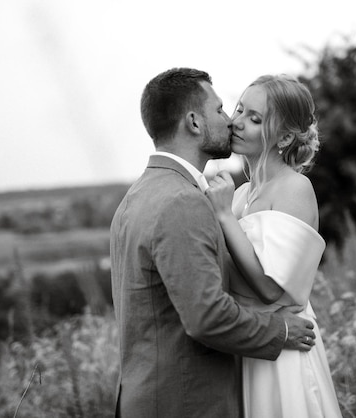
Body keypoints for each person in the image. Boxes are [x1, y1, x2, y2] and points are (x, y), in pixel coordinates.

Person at [110, 68, 317, 418]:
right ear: (193, 122)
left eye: (248, 116)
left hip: (158, 395)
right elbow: (206, 316)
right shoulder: (183, 201)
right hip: (183, 402)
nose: (230, 121)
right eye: (223, 110)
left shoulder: (136, 197)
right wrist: (280, 331)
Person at [205, 74, 342, 418]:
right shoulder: (238, 195)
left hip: (284, 353)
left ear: (283, 136)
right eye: (239, 110)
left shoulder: (294, 188)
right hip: (251, 344)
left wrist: (222, 215)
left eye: (255, 119)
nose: (236, 123)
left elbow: (269, 287)